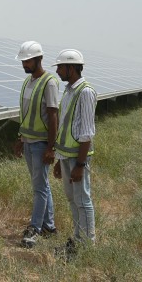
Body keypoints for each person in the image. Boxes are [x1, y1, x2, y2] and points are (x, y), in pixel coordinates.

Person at [51, 48, 98, 257]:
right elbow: (65, 127)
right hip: (66, 156)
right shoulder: (69, 91)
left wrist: (80, 165)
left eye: (61, 67)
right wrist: (59, 160)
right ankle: (77, 241)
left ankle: (88, 246)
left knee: (83, 200)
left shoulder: (85, 92)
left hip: (77, 159)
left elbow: (87, 133)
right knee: (72, 199)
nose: (58, 71)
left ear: (72, 68)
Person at [13, 41, 60, 248]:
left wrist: (51, 148)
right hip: (28, 142)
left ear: (39, 59)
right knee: (41, 186)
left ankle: (34, 229)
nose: (24, 64)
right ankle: (49, 226)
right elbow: (26, 114)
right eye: (23, 61)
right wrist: (20, 138)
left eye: (27, 61)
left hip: (41, 144)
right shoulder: (28, 82)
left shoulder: (49, 82)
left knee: (39, 188)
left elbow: (53, 116)